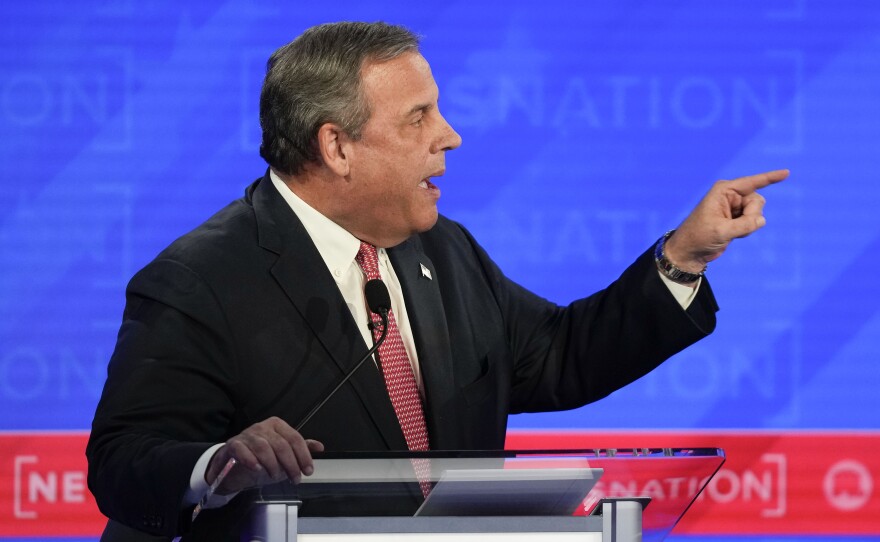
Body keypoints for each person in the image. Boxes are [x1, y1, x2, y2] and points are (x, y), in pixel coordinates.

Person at [86, 21, 788, 540]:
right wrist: (218, 464)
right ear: (336, 146)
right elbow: (122, 462)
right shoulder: (199, 278)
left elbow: (560, 356)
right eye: (419, 117)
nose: (448, 135)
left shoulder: (442, 251)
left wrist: (682, 259)